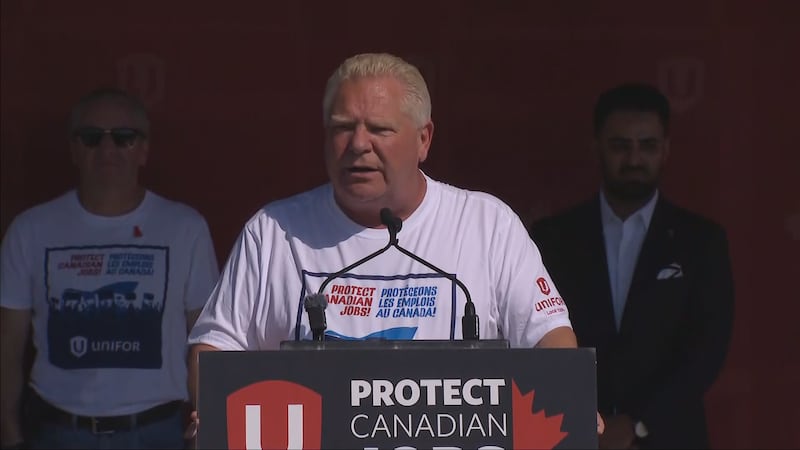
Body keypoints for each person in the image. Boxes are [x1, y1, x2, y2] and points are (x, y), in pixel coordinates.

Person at [186, 51, 586, 423]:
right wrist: (217, 416)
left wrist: (568, 406)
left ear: (423, 139)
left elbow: (549, 338)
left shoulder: (485, 224)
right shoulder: (275, 232)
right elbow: (214, 349)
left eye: (379, 129)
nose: (359, 144)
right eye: (343, 128)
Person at [0, 88, 220, 449]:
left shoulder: (185, 228)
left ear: (144, 149)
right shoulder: (30, 230)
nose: (107, 149)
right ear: (73, 149)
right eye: (91, 137)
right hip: (57, 431)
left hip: (155, 432)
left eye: (123, 137)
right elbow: (7, 348)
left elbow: (207, 338)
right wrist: (10, 436)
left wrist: (210, 424)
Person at [529, 83, 734, 449]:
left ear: (666, 149)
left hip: (670, 437)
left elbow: (706, 352)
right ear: (597, 147)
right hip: (571, 434)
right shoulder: (553, 238)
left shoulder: (701, 241)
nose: (634, 159)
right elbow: (535, 336)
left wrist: (637, 423)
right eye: (620, 145)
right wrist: (583, 419)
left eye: (648, 145)